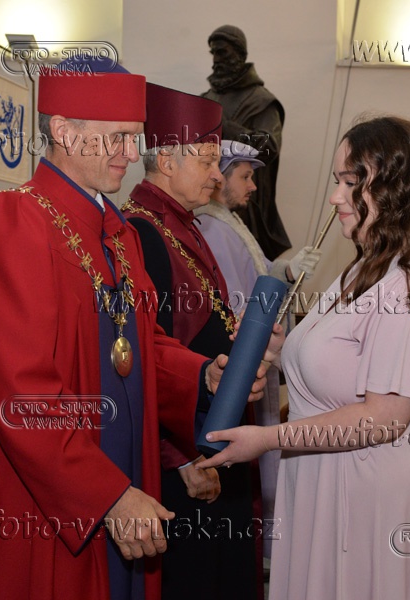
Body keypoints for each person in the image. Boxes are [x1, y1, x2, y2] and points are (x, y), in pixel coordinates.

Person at [0, 57, 271, 600]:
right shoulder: (11, 223)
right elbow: (21, 393)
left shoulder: (117, 234)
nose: (132, 154)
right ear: (64, 130)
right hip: (50, 505)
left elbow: (140, 345)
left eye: (134, 137)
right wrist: (107, 495)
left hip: (122, 482)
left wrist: (203, 376)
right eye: (119, 137)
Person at [197, 116, 410, 599]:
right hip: (326, 477)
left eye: (350, 183)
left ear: (393, 189)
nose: (334, 197)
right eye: (336, 181)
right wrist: (279, 351)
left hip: (369, 491)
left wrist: (266, 439)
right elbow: (341, 365)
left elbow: (384, 418)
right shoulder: (364, 269)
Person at [122, 84, 259, 600]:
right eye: (206, 161)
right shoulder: (143, 232)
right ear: (166, 162)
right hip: (188, 455)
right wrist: (180, 459)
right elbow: (144, 359)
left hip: (214, 436)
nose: (217, 175)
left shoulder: (184, 223)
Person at [194, 140, 322, 557]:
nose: (253, 187)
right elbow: (240, 303)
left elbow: (259, 274)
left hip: (258, 353)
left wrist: (285, 270)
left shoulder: (229, 220)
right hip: (246, 358)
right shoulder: (210, 225)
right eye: (246, 177)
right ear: (220, 179)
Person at [202, 25, 290, 260]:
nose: (216, 60)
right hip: (205, 204)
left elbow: (268, 148)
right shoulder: (207, 99)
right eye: (213, 53)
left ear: (240, 54)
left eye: (222, 52)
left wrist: (224, 125)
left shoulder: (261, 101)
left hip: (245, 209)